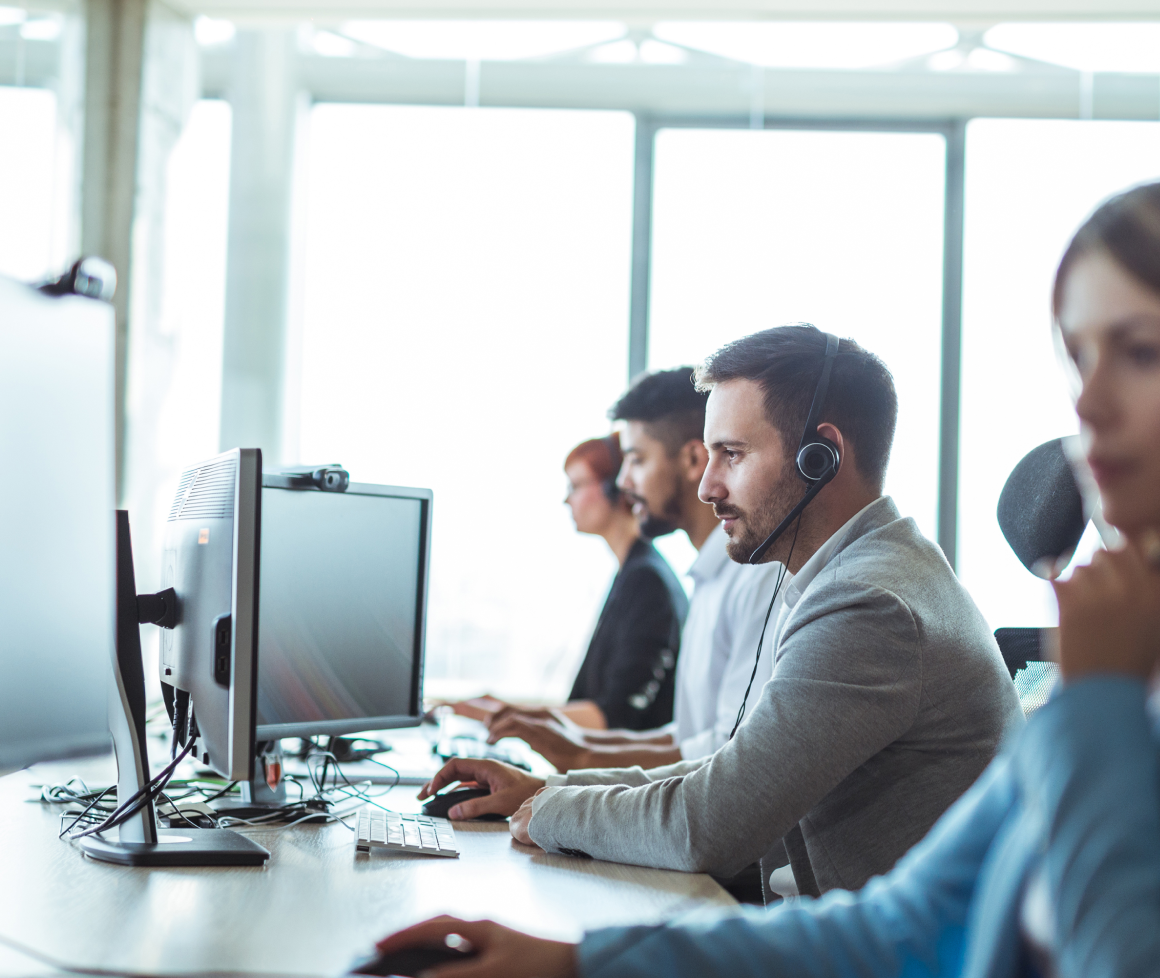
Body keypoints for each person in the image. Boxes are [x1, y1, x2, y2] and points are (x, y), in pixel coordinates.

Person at [378, 175, 1160, 978]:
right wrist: (574, 964)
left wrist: (1098, 705)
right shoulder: (1156, 649)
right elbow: (902, 931)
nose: (1087, 407)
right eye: (1077, 358)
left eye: (1141, 353)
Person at [421, 328, 1020, 899]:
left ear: (823, 457)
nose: (707, 487)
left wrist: (549, 810)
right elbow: (731, 773)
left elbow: (708, 825)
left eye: (731, 454)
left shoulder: (868, 605)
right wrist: (550, 787)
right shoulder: (873, 571)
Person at [483, 368, 786, 772]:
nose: (624, 482)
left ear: (693, 459)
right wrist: (569, 741)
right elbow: (687, 738)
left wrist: (569, 771)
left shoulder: (755, 578)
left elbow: (726, 757)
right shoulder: (707, 577)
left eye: (637, 460)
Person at [450, 435, 686, 732]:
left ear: (616, 489)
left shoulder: (647, 582)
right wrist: (502, 708)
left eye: (575, 486)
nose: (566, 499)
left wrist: (505, 714)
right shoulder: (630, 574)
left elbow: (614, 716)